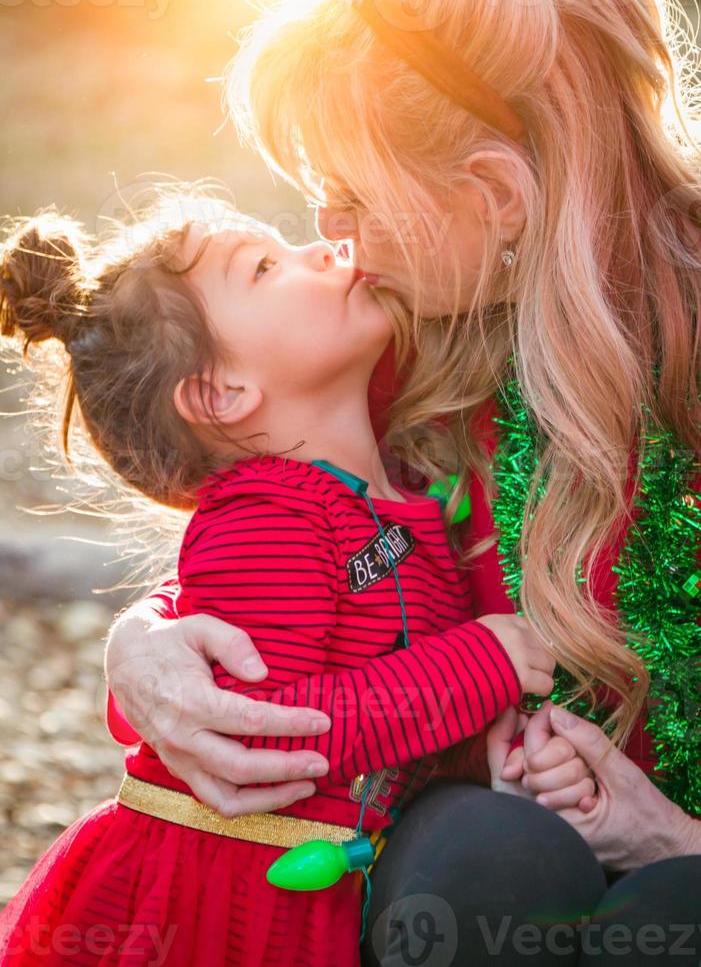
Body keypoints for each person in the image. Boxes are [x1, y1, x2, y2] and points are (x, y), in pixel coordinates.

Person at [103, 0, 701, 963]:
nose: (331, 235)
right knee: (478, 859)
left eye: (352, 195)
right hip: (512, 837)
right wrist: (148, 640)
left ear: (493, 196)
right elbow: (273, 537)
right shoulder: (409, 339)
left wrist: (669, 837)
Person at [0, 193, 566, 964]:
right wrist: (484, 663)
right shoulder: (269, 515)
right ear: (219, 393)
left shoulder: (383, 495)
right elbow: (256, 723)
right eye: (266, 266)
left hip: (315, 875)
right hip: (224, 904)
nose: (322, 250)